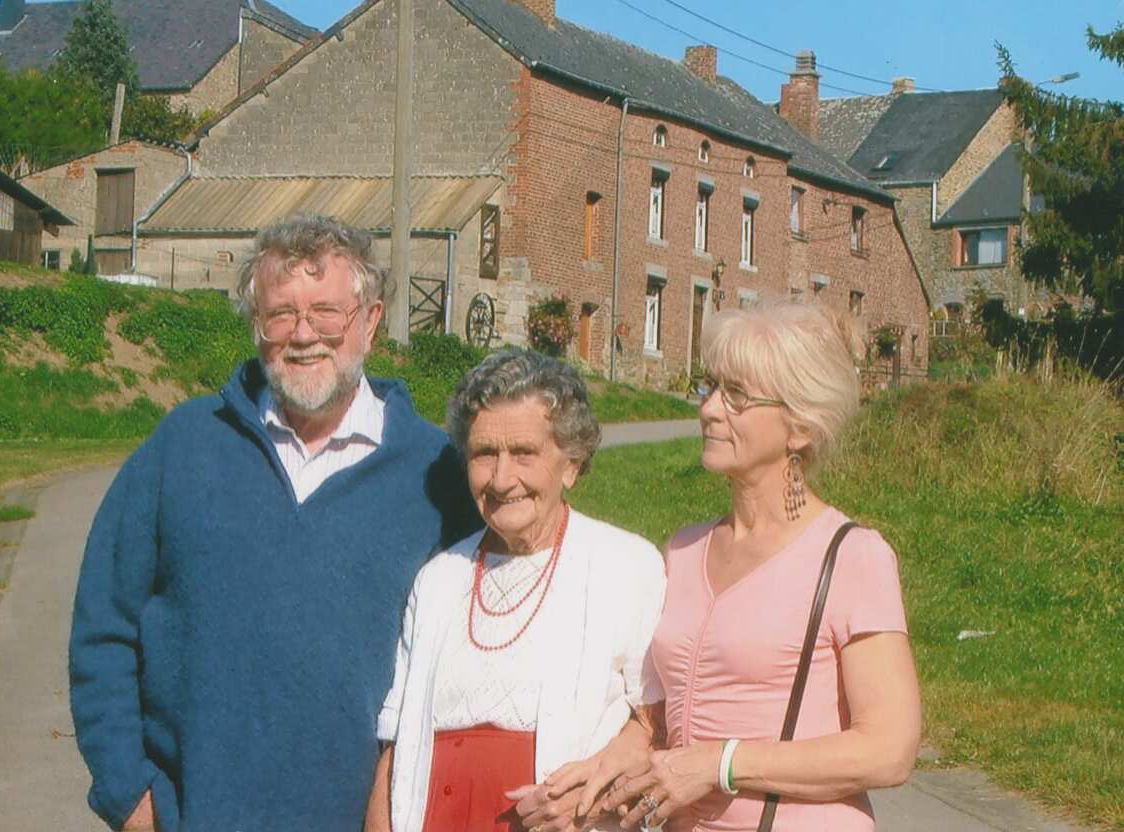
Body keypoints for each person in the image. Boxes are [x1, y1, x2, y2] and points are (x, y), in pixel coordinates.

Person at [68, 214, 479, 831]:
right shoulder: (185, 447)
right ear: (257, 328)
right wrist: (128, 793)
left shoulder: (434, 475)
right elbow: (104, 626)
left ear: (369, 321)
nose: (303, 334)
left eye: (326, 311)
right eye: (280, 314)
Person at [605, 302, 921, 831]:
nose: (708, 409)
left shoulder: (850, 556)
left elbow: (889, 748)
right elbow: (664, 712)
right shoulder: (682, 550)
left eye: (737, 396)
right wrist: (611, 760)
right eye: (709, 388)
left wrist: (720, 763)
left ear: (799, 426)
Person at [366, 350, 667, 832]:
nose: (502, 479)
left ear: (571, 464)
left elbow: (656, 727)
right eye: (485, 454)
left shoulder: (627, 567)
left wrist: (593, 792)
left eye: (524, 453)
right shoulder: (440, 578)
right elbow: (397, 744)